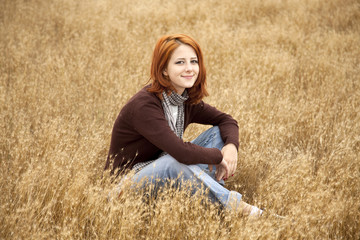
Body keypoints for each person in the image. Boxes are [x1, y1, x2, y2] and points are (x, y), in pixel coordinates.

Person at [105, 33, 262, 217]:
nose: (189, 69)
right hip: (126, 186)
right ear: (164, 69)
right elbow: (181, 153)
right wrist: (218, 156)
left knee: (219, 134)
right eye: (180, 62)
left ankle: (211, 194)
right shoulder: (144, 106)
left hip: (162, 168)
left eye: (193, 62)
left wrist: (231, 147)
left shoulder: (183, 99)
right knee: (174, 162)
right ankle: (242, 211)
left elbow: (227, 120)